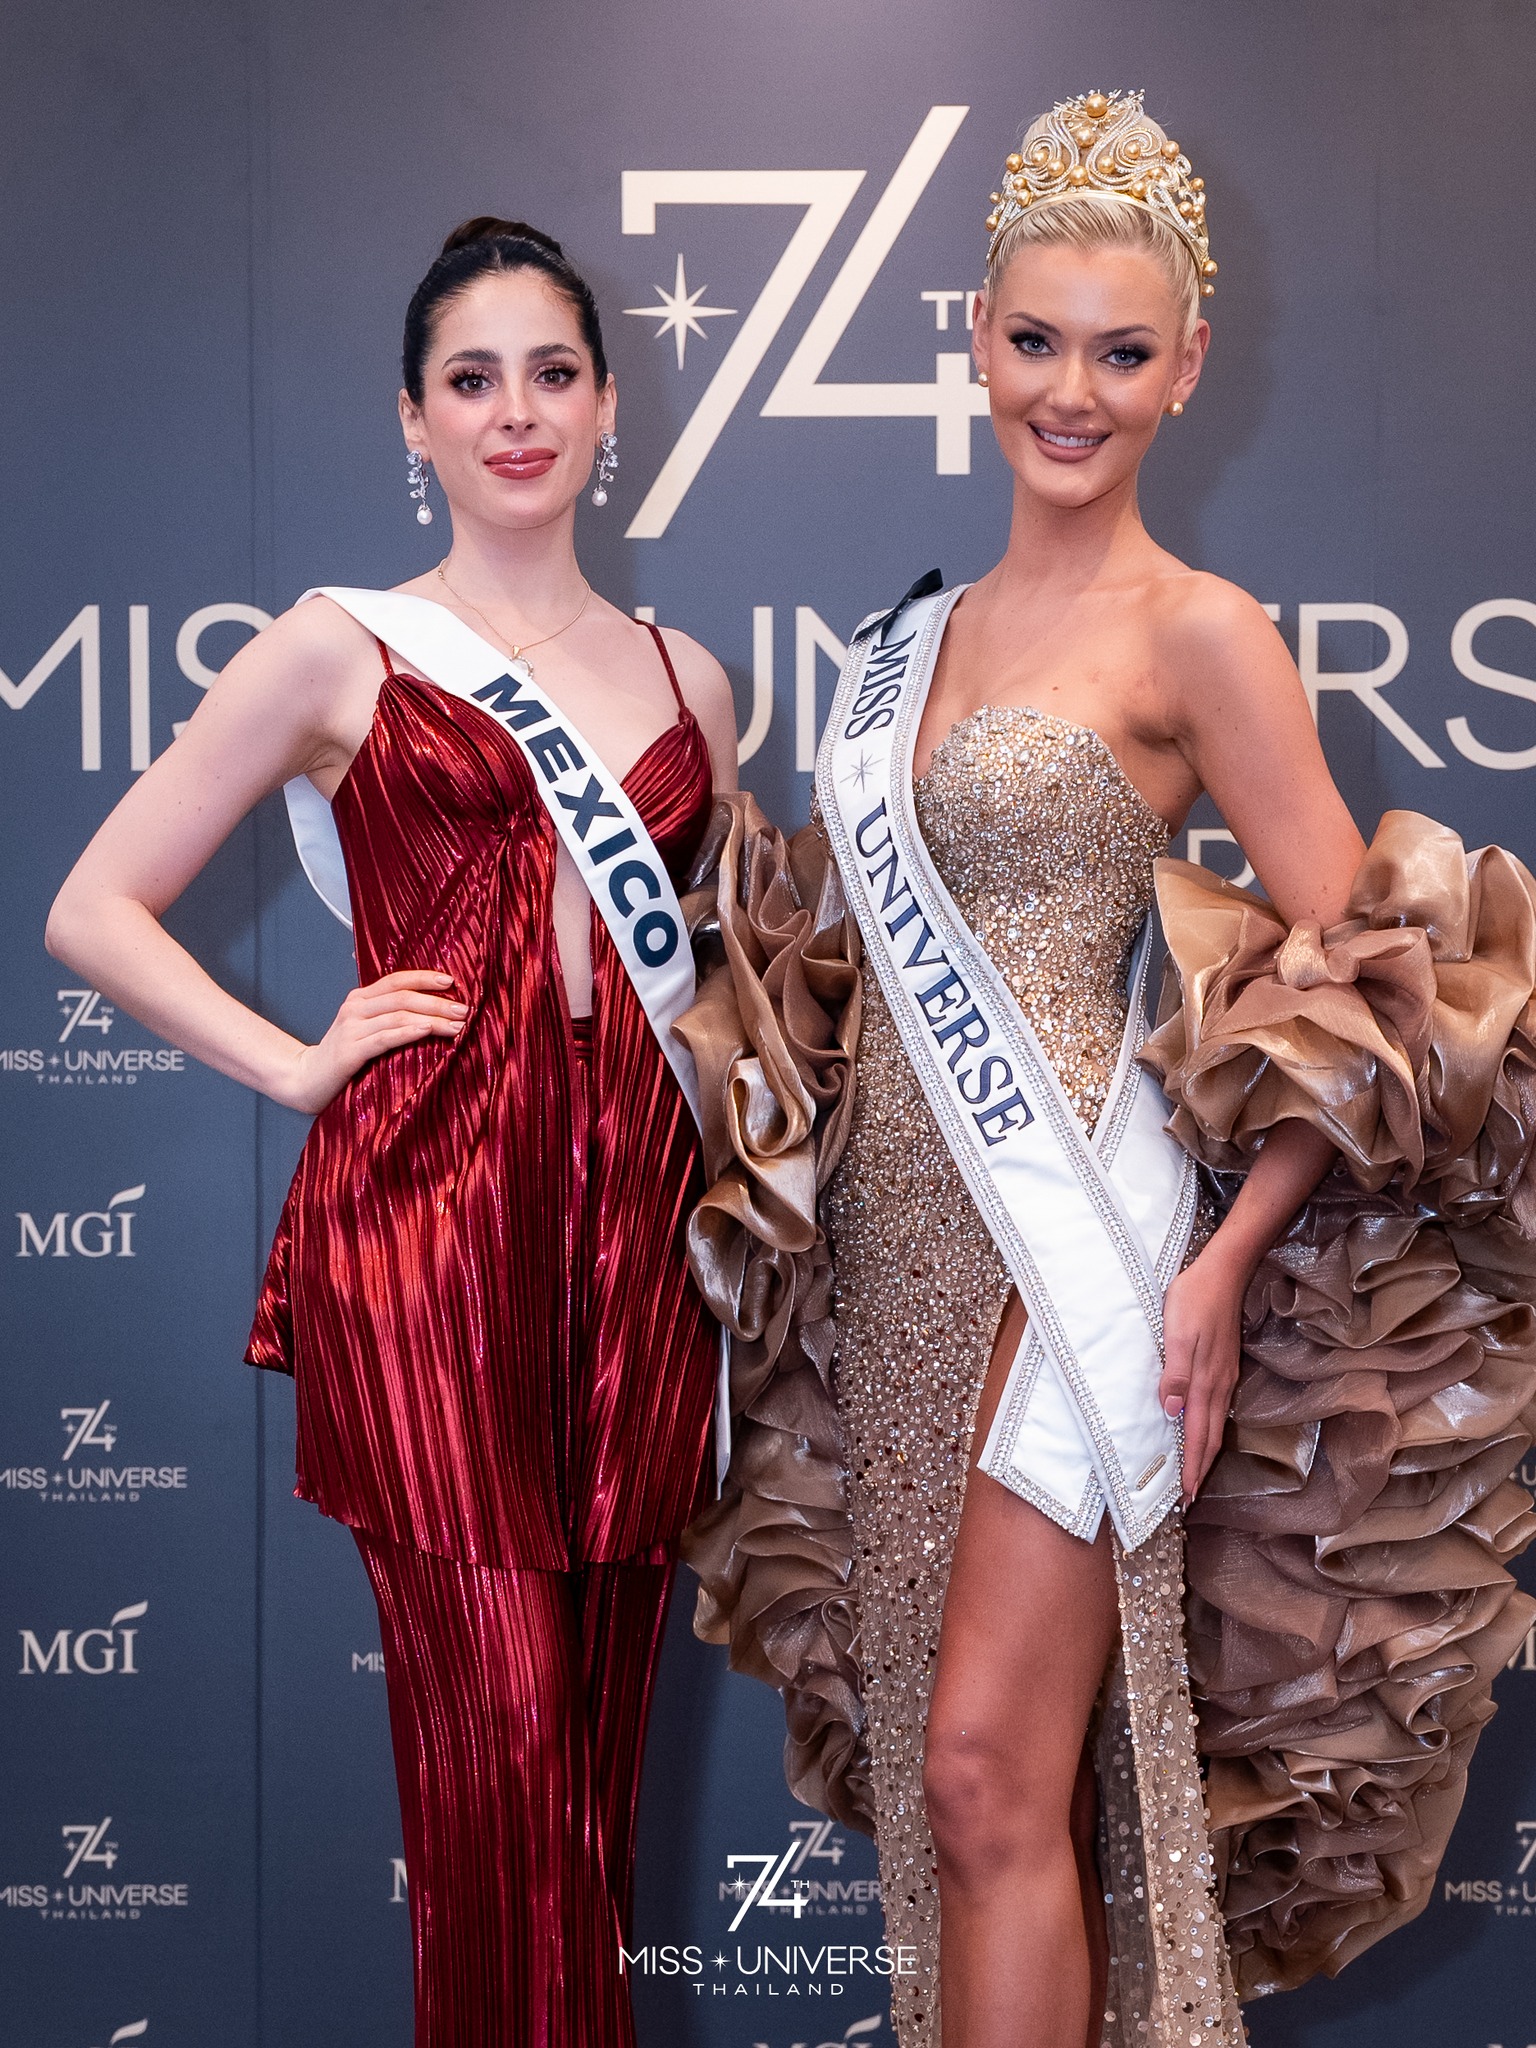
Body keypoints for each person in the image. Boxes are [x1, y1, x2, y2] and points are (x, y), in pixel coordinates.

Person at [681, 90, 1536, 2048]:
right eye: (1038, 341)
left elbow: (1369, 991)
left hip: (1076, 1256)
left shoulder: (1202, 635)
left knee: (987, 1774)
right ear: (975, 339)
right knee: (973, 1797)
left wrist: (1226, 1260)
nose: (1073, 393)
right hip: (896, 1268)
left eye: (1123, 354)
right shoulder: (916, 641)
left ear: (1190, 369)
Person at [46, 216, 739, 2048]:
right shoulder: (336, 647)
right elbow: (94, 907)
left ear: (609, 407)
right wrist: (295, 1062)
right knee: (500, 1783)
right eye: (471, 380)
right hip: (431, 1245)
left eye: (554, 374)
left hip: (644, 1260)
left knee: (591, 1807)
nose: (517, 413)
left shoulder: (691, 679)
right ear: (413, 421)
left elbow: (721, 986)